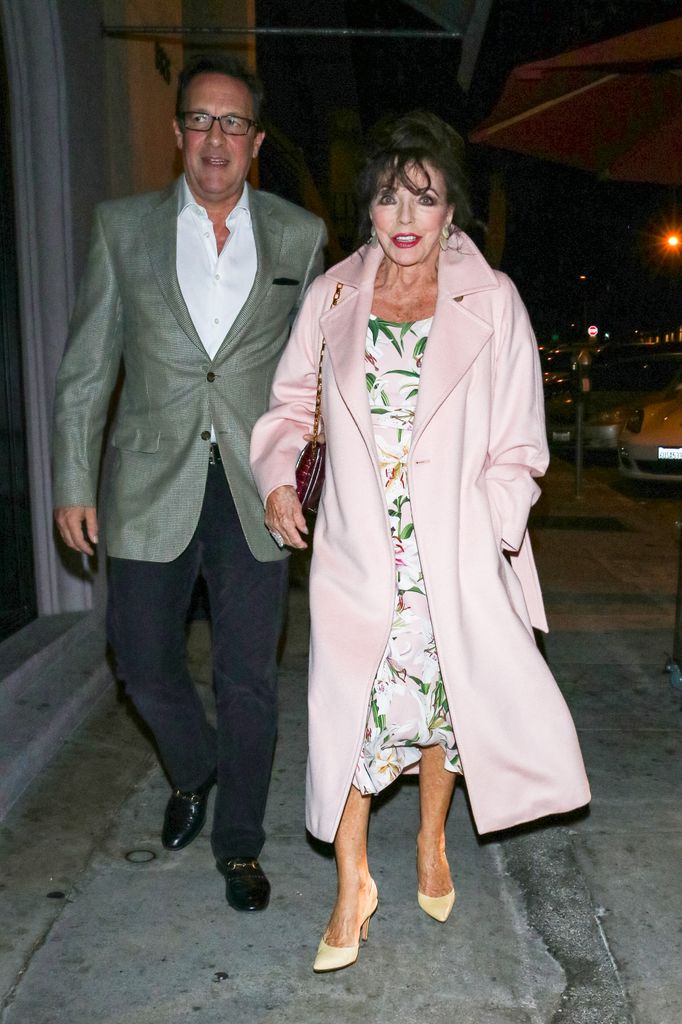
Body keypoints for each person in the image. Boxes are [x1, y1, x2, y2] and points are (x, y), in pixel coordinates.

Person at [250, 111, 590, 968]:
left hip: (455, 551)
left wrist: (491, 528)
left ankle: (432, 839)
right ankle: (350, 886)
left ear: (452, 213)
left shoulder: (494, 299)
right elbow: (291, 408)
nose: (405, 216)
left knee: (441, 707)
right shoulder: (334, 295)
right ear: (367, 208)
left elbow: (521, 443)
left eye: (426, 198)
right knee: (352, 715)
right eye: (390, 197)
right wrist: (278, 481)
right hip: (362, 548)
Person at [52, 54, 327, 912]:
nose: (216, 137)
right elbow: (87, 368)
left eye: (233, 123)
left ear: (256, 143)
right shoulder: (122, 227)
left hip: (257, 489)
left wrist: (323, 483)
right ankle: (197, 766)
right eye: (201, 121)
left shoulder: (299, 234)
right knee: (138, 660)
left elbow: (319, 372)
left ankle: (238, 844)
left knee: (248, 678)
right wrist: (71, 478)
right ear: (177, 136)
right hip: (146, 480)